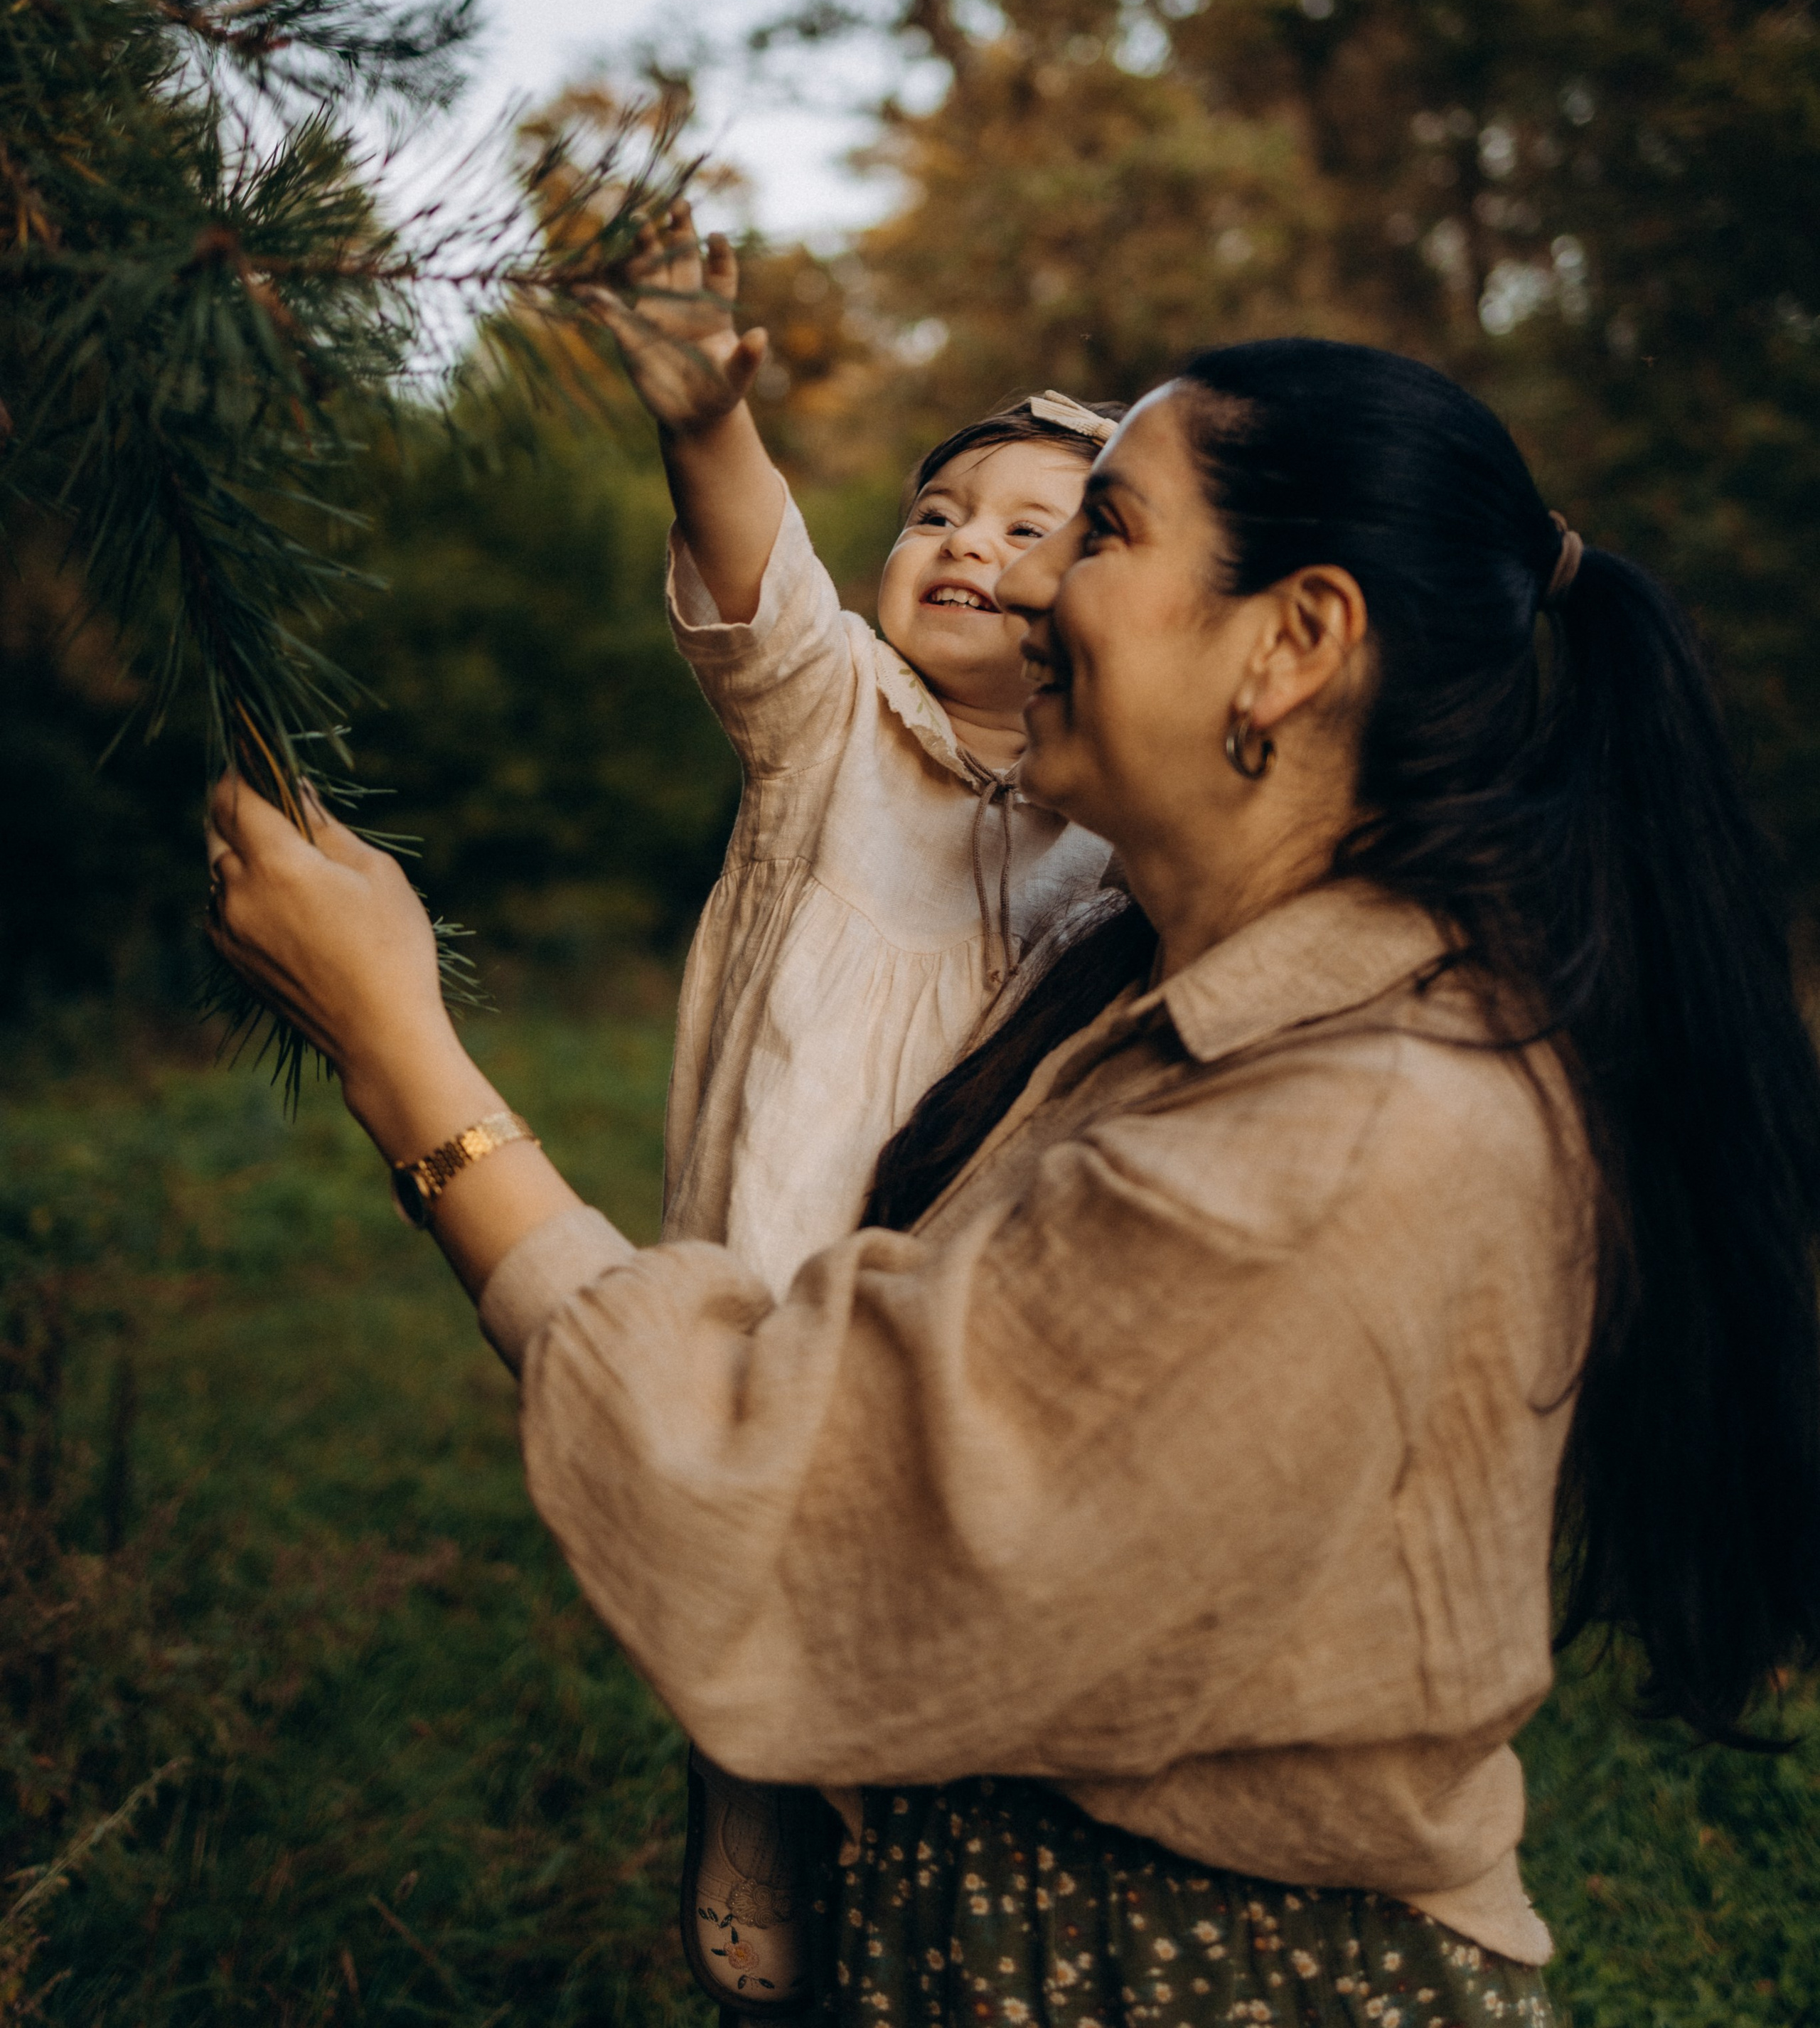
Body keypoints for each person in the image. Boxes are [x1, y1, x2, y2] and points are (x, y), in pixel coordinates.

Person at [203, 338, 1820, 2028]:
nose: (1031, 598)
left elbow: (794, 1499)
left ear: (1289, 644)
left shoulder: (1348, 1135)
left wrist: (399, 1049)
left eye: (1099, 533)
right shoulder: (1168, 987)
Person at [582, 206, 1125, 2000]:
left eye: (1030, 530)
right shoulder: (830, 728)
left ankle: (928, 1832)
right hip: (787, 1258)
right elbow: (759, 577)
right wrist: (700, 422)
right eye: (935, 514)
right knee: (769, 1555)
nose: (961, 541)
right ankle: (747, 1787)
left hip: (982, 1293)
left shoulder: (1119, 836)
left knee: (951, 1580)